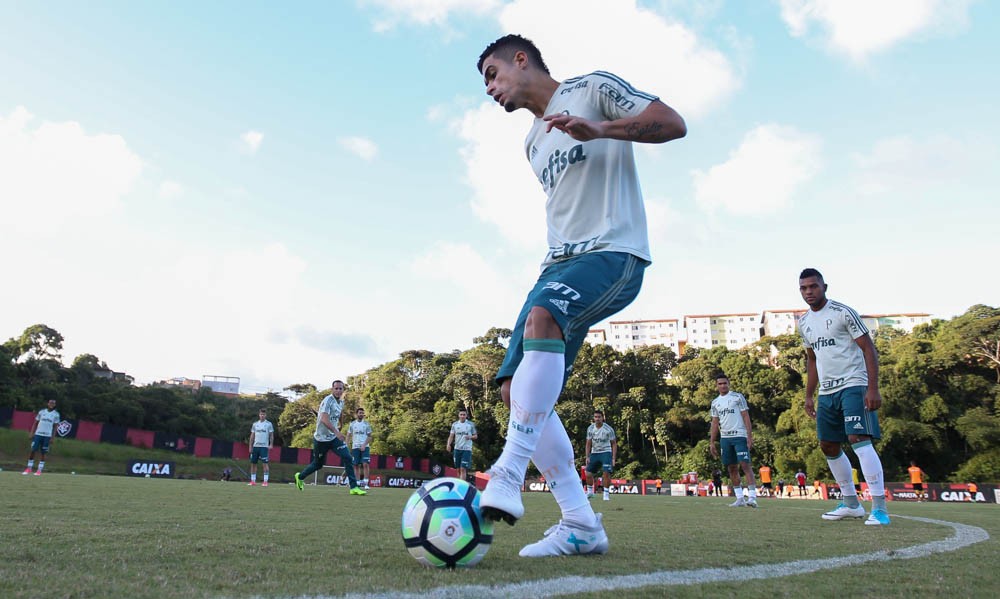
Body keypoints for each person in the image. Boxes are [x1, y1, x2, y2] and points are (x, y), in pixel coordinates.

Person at [474, 33, 686, 559]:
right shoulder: (531, 143)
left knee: (543, 319)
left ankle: (508, 471)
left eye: (493, 75)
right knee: (513, 391)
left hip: (614, 253)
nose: (490, 89)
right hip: (556, 264)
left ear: (521, 60)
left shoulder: (592, 88)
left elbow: (672, 123)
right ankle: (581, 523)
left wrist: (602, 129)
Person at [799, 268, 889, 526]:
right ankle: (851, 504)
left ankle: (879, 508)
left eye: (813, 286)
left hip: (854, 384)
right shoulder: (803, 322)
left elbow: (868, 348)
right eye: (804, 288)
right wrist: (808, 395)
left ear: (824, 287)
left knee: (858, 438)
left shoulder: (843, 312)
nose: (809, 292)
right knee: (828, 444)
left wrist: (873, 388)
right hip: (827, 391)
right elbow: (812, 359)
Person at [293, 380, 366, 495]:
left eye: (340, 388)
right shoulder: (327, 401)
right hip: (321, 439)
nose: (338, 391)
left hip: (333, 438)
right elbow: (323, 419)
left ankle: (353, 488)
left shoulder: (340, 402)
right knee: (318, 464)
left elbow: (340, 413)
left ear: (343, 390)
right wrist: (337, 432)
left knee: (347, 458)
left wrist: (341, 424)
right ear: (332, 389)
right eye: (336, 388)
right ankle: (300, 477)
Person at [710, 375, 759, 508]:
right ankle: (739, 498)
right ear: (717, 385)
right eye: (719, 384)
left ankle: (753, 497)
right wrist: (712, 441)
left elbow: (745, 415)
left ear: (729, 383)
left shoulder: (737, 397)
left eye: (724, 383)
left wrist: (749, 436)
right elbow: (715, 422)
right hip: (725, 438)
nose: (722, 386)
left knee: (745, 465)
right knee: (731, 467)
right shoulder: (715, 402)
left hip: (740, 435)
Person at [584, 410, 617, 502]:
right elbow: (588, 443)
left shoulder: (608, 429)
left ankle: (606, 494)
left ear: (602, 418)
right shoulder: (590, 428)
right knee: (588, 473)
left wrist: (613, 458)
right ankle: (590, 492)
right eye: (595, 417)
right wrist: (587, 456)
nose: (597, 419)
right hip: (595, 453)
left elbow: (614, 443)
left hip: (606, 452)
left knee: (606, 473)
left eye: (599, 417)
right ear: (593, 418)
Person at [22, 398, 60, 476]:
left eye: (53, 403)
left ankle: (39, 470)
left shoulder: (56, 414)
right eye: (50, 403)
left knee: (43, 453)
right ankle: (29, 468)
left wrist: (52, 438)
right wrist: (32, 433)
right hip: (38, 434)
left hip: (47, 436)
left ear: (55, 405)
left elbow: (55, 427)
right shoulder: (42, 412)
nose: (51, 404)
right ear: (48, 404)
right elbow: (35, 423)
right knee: (33, 450)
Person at [446, 408, 478, 481]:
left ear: (466, 415)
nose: (462, 416)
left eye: (464, 415)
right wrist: (448, 444)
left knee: (463, 468)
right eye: (461, 414)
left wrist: (470, 437)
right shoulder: (455, 424)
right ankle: (458, 484)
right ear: (458, 415)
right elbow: (451, 436)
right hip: (457, 449)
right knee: (458, 469)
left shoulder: (470, 424)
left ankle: (462, 486)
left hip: (466, 450)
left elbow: (475, 436)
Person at [347, 407, 373, 490]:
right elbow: (348, 435)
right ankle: (357, 482)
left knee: (365, 464)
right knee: (355, 465)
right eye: (360, 413)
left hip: (365, 447)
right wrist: (346, 445)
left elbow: (370, 437)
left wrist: (364, 445)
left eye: (362, 413)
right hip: (355, 447)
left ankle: (366, 483)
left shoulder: (366, 424)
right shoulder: (352, 424)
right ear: (356, 414)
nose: (361, 414)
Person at [247, 408, 274, 487]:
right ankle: (253, 481)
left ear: (265, 415)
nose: (262, 416)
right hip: (256, 446)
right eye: (261, 414)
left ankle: (265, 481)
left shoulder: (269, 424)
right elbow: (252, 436)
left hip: (264, 447)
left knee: (265, 463)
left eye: (264, 414)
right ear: (259, 415)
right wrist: (250, 446)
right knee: (253, 463)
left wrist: (271, 444)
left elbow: (271, 435)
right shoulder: (255, 424)